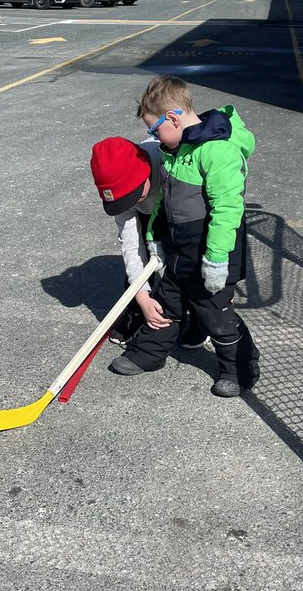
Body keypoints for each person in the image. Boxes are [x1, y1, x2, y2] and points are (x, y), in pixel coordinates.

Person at [107, 75, 259, 398]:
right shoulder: (173, 149)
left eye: (154, 129)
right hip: (178, 249)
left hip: (210, 252)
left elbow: (228, 208)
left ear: (173, 118)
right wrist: (154, 237)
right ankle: (148, 353)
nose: (153, 137)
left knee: (215, 313)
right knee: (167, 303)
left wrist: (216, 260)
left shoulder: (217, 152)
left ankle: (238, 368)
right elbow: (162, 202)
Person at [89, 136, 209, 349]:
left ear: (144, 172)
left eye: (134, 195)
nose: (130, 202)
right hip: (148, 213)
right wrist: (141, 295)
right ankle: (137, 309)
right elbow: (130, 244)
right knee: (141, 250)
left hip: (186, 209)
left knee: (188, 259)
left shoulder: (172, 163)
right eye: (122, 201)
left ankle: (200, 316)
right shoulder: (122, 196)